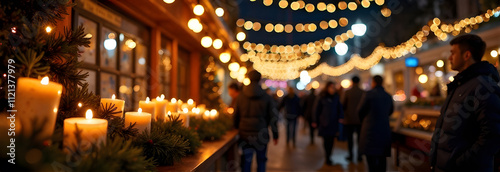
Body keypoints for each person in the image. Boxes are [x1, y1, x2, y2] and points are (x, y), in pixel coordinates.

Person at [430, 34, 500, 172]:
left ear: (467, 55)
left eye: (453, 53)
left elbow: (492, 135)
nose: (450, 58)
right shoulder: (459, 85)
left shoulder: (484, 86)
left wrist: (461, 163)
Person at [234, 70, 279, 172]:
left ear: (249, 78)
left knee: (246, 161)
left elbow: (236, 115)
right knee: (261, 161)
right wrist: (275, 135)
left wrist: (236, 127)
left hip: (245, 134)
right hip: (261, 134)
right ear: (260, 79)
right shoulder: (266, 97)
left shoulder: (241, 96)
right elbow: (273, 117)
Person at [357, 75, 393, 172]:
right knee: (382, 159)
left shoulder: (368, 94)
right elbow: (390, 111)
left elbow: (360, 111)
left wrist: (364, 122)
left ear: (373, 82)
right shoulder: (388, 96)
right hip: (384, 130)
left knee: (371, 160)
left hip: (370, 131)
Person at [313, 81, 344, 165]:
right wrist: (315, 120)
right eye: (330, 87)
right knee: (326, 140)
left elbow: (339, 108)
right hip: (324, 122)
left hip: (333, 122)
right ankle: (327, 156)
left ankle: (329, 155)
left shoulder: (336, 97)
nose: (332, 89)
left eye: (333, 87)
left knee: (331, 140)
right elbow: (317, 109)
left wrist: (341, 117)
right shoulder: (322, 97)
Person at [342, 76, 365, 162]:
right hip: (360, 119)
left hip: (349, 119)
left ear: (352, 82)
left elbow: (343, 105)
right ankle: (360, 156)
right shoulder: (363, 92)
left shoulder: (347, 92)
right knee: (360, 138)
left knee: (350, 138)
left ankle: (351, 155)